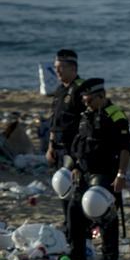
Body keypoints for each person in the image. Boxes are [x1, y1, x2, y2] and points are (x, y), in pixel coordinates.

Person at [68, 78, 130, 260]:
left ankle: (109, 257)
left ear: (101, 96)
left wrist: (121, 174)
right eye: (84, 101)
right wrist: (75, 166)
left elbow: (125, 148)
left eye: (89, 100)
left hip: (105, 172)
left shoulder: (115, 115)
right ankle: (77, 254)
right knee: (74, 210)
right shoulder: (85, 115)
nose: (86, 104)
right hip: (84, 171)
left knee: (104, 212)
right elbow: (79, 145)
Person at [46, 49, 86, 227]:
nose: (57, 72)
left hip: (74, 149)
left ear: (72, 68)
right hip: (59, 148)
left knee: (75, 189)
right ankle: (68, 222)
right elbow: (55, 121)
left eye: (61, 68)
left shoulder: (81, 90)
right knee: (61, 188)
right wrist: (50, 146)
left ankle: (78, 225)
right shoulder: (60, 90)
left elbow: (87, 124)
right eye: (56, 68)